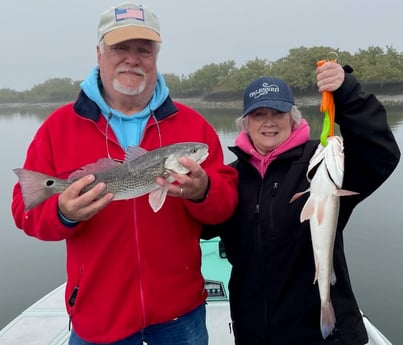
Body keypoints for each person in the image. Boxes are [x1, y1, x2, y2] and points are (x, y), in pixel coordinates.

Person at [11, 3, 238, 345]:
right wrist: (63, 213)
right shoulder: (58, 128)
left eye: (143, 50)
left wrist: (203, 190)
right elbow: (25, 210)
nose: (132, 58)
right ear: (99, 53)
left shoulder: (194, 126)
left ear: (155, 57)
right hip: (98, 317)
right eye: (120, 48)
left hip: (181, 314)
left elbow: (225, 206)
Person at [202, 63, 400, 344]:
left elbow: (380, 155)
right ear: (245, 122)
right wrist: (195, 190)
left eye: (278, 113)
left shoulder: (322, 163)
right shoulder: (231, 177)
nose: (269, 122)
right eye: (259, 114)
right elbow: (201, 225)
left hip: (323, 334)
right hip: (254, 331)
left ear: (293, 118)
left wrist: (347, 94)